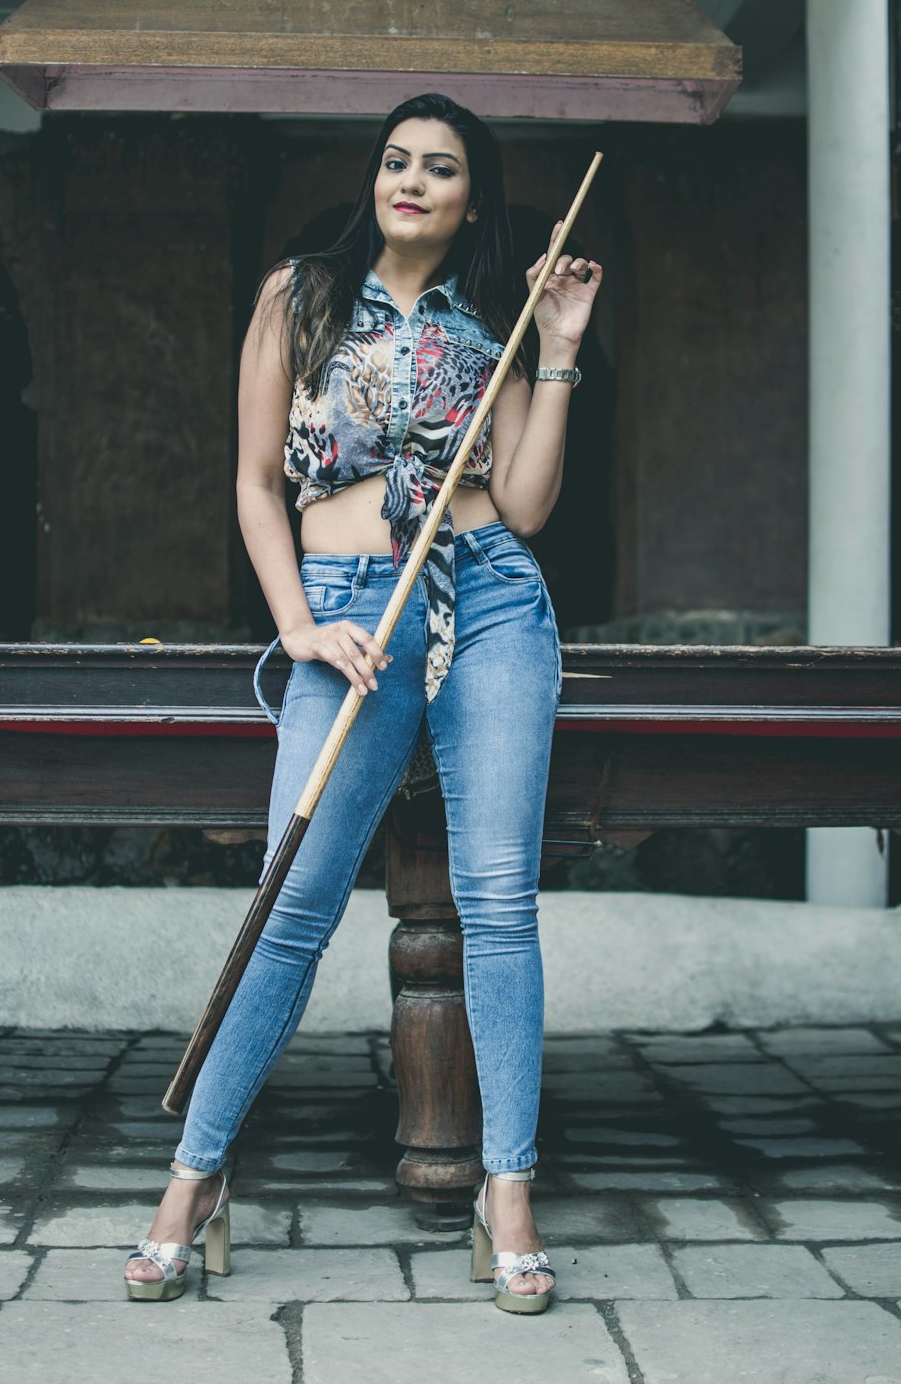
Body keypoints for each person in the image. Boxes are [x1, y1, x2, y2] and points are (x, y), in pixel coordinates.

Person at [124, 93, 602, 1316]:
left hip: (487, 603)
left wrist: (556, 341)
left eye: (440, 168)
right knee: (292, 900)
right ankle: (191, 1180)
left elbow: (532, 504)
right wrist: (294, 626)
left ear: (471, 200)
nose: (411, 181)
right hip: (343, 618)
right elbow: (250, 483)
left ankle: (507, 1192)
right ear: (373, 176)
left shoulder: (487, 323)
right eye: (397, 160)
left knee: (497, 904)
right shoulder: (300, 295)